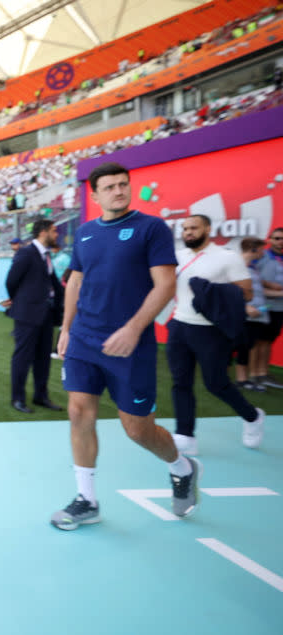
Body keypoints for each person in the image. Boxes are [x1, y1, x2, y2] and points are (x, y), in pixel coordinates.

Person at [52, 162, 199, 531]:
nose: (119, 191)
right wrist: (66, 328)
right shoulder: (85, 233)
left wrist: (134, 329)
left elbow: (165, 285)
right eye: (111, 186)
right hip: (84, 338)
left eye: (124, 184)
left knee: (137, 430)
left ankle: (181, 467)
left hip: (129, 345)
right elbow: (75, 282)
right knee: (78, 412)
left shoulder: (151, 228)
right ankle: (87, 500)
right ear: (96, 194)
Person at [167, 216, 264, 453]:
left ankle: (252, 417)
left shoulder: (227, 257)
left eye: (194, 228)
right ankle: (185, 435)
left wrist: (209, 291)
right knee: (180, 382)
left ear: (208, 229)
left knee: (216, 384)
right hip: (179, 325)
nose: (188, 232)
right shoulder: (177, 255)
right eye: (185, 228)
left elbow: (247, 294)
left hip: (211, 331)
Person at [6, 219, 63, 414]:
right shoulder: (26, 253)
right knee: (22, 358)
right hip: (27, 314)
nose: (57, 234)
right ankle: (18, 399)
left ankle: (41, 396)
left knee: (43, 359)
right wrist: (22, 302)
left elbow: (53, 283)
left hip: (46, 314)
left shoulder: (45, 256)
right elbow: (11, 281)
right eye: (54, 231)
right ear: (44, 232)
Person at [235, 238, 276, 391]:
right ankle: (239, 379)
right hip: (245, 316)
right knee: (241, 346)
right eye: (261, 249)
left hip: (256, 316)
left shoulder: (253, 268)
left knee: (246, 346)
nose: (263, 252)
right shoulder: (237, 266)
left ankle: (242, 380)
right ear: (253, 249)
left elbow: (259, 291)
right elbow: (229, 289)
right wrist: (245, 308)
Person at [254, 227, 283, 388]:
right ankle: (255, 375)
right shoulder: (262, 256)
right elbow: (251, 275)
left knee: (268, 341)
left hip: (279, 308)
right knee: (257, 341)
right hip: (263, 305)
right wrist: (269, 285)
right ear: (270, 239)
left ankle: (263, 373)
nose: (280, 241)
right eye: (277, 238)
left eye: (282, 238)